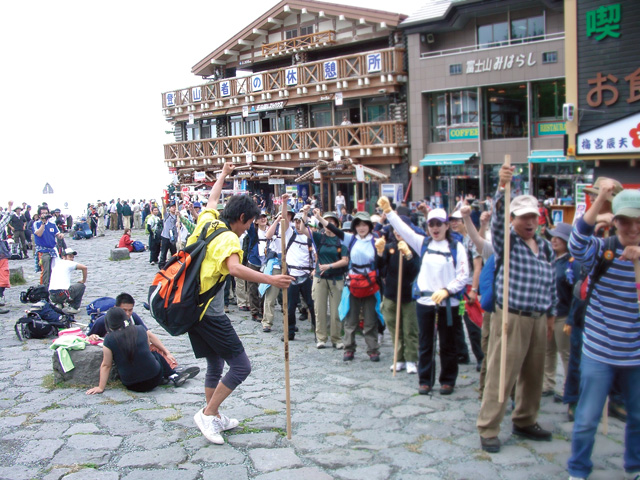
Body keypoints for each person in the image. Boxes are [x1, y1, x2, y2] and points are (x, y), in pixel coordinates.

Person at [187, 162, 293, 445]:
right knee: (241, 366)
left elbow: (211, 198)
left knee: (215, 361)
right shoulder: (229, 239)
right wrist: (271, 280)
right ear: (243, 218)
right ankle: (208, 414)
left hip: (191, 309)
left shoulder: (208, 221)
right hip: (210, 314)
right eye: (248, 224)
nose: (247, 230)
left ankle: (215, 415)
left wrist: (222, 175)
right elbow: (234, 269)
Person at [475, 163, 557, 454]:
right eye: (524, 217)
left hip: (537, 316)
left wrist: (551, 314)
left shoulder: (545, 247)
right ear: (513, 219)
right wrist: (501, 187)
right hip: (511, 315)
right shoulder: (507, 241)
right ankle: (488, 427)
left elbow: (551, 282)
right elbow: (496, 223)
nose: (530, 222)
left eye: (533, 216)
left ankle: (524, 419)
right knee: (502, 372)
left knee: (534, 374)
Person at [567, 186, 640, 480]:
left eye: (639, 221)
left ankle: (635, 466)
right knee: (586, 419)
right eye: (626, 220)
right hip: (599, 350)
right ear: (615, 221)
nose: (633, 227)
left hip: (636, 353)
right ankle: (578, 469)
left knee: (638, 418)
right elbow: (575, 245)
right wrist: (599, 199)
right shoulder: (603, 248)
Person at [380, 198, 468, 395]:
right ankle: (425, 379)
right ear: (427, 227)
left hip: (448, 302)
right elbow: (404, 230)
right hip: (425, 302)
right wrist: (389, 211)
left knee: (447, 343)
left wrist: (447, 290)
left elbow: (463, 276)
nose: (436, 228)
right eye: (432, 224)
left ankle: (447, 380)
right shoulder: (423, 244)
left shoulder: (456, 247)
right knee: (425, 342)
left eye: (439, 224)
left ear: (446, 226)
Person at [86, 308, 200, 394]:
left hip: (132, 384)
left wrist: (101, 387)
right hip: (154, 377)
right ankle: (172, 375)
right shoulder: (140, 329)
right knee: (154, 354)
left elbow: (106, 365)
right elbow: (145, 351)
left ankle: (167, 377)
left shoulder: (109, 340)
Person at [320, 211, 381, 361]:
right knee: (351, 319)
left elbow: (383, 260)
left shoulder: (376, 241)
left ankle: (372, 349)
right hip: (353, 283)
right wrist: (318, 218)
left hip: (370, 283)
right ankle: (349, 348)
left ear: (369, 226)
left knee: (370, 319)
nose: (361, 228)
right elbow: (334, 229)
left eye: (364, 224)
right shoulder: (350, 239)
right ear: (355, 226)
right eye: (358, 224)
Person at [374, 216, 420, 373]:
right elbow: (379, 267)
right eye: (395, 229)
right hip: (391, 294)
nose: (398, 232)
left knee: (410, 329)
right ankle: (398, 358)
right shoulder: (390, 247)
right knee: (394, 329)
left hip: (409, 295)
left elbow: (416, 270)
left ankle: (411, 358)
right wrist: (379, 253)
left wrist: (408, 255)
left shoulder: (414, 248)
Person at [542, 223, 576, 401]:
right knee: (548, 351)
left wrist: (571, 317)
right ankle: (548, 383)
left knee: (566, 353)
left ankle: (568, 387)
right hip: (548, 314)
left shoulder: (572, 263)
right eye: (552, 236)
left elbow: (575, 294)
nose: (554, 240)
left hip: (563, 314)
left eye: (558, 237)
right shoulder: (549, 259)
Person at [305, 210, 349, 349]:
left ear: (336, 224)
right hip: (320, 278)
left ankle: (336, 339)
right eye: (326, 221)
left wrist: (329, 266)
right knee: (319, 309)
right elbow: (303, 229)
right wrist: (305, 213)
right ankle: (321, 338)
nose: (328, 224)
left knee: (336, 311)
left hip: (336, 278)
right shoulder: (319, 238)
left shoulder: (341, 240)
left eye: (332, 222)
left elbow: (345, 260)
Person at [277, 203, 316, 342]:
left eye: (301, 222)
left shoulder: (310, 237)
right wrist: (284, 203)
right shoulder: (289, 234)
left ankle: (318, 333)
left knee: (312, 305)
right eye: (297, 222)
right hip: (292, 274)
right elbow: (284, 219)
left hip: (307, 275)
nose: (299, 225)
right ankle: (290, 332)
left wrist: (315, 270)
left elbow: (316, 257)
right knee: (290, 306)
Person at [32, 206, 65, 289]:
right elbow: (38, 234)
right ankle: (44, 287)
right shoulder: (37, 224)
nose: (45, 215)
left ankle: (54, 286)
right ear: (39, 215)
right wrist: (43, 223)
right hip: (43, 250)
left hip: (52, 249)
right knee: (45, 270)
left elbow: (57, 233)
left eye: (46, 213)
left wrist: (60, 235)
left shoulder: (52, 224)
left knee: (55, 269)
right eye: (43, 213)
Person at [48, 248, 87, 315]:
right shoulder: (68, 263)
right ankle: (74, 308)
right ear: (63, 257)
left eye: (73, 257)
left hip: (52, 296)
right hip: (63, 294)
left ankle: (59, 304)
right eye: (70, 256)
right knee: (81, 286)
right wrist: (83, 280)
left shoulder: (57, 263)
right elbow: (84, 268)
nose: (72, 258)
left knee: (64, 286)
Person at [158, 201, 178, 269]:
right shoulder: (166, 215)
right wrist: (163, 200)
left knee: (174, 252)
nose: (174, 208)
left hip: (173, 236)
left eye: (175, 207)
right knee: (164, 251)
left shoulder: (177, 216)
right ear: (169, 208)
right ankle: (161, 265)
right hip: (165, 236)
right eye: (172, 207)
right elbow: (164, 208)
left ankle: (174, 264)